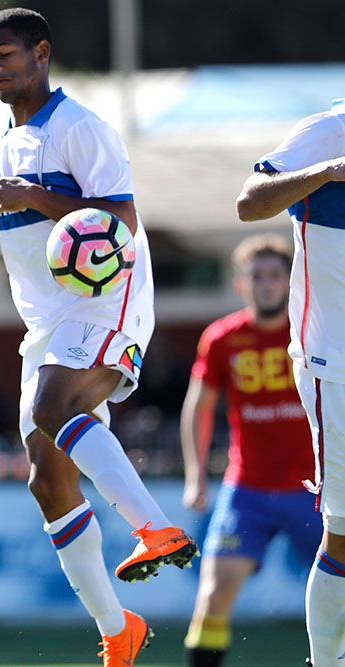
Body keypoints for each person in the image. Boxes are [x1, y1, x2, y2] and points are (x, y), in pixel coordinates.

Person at [0, 8, 197, 666]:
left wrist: (40, 200)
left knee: (54, 411)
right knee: (46, 480)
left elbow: (124, 217)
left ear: (42, 53)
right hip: (47, 326)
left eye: (7, 56)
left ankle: (154, 527)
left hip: (107, 300)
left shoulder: (81, 128)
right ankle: (116, 630)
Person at [236, 99, 345, 667]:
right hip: (337, 366)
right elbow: (249, 203)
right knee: (344, 535)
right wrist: (328, 171)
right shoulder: (328, 130)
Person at [180, 234, 321, 667]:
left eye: (275, 275)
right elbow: (197, 408)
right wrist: (195, 476)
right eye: (257, 276)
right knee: (213, 594)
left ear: (291, 282)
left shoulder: (314, 333)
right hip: (248, 490)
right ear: (242, 284)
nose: (266, 284)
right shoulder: (222, 339)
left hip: (316, 491)